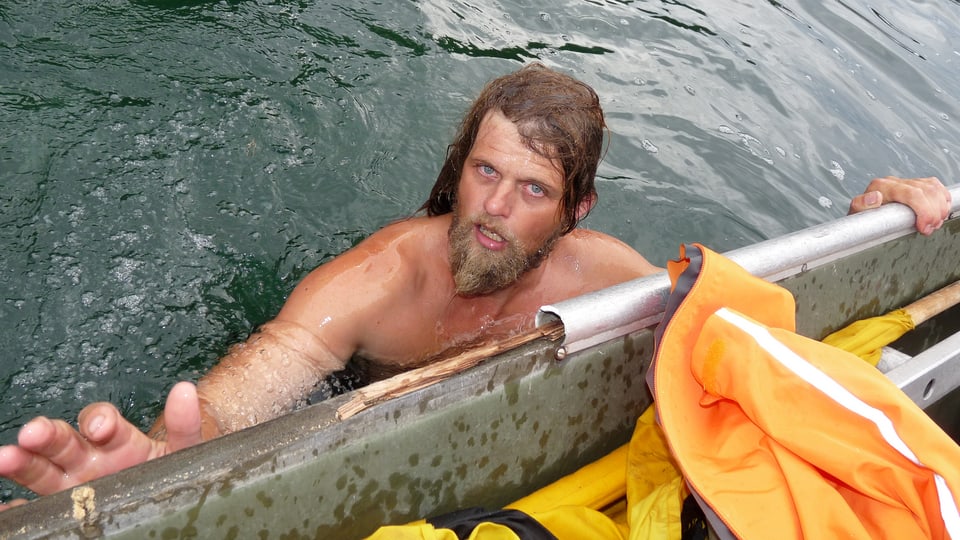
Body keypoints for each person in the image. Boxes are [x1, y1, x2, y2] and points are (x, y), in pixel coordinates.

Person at [0, 63, 951, 510]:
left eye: (533, 189)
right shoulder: (377, 279)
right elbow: (270, 369)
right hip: (353, 396)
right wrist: (172, 452)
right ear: (459, 168)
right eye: (484, 172)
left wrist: (877, 207)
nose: (494, 207)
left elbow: (744, 302)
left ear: (575, 212)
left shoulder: (605, 273)